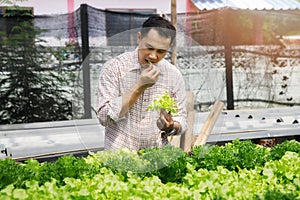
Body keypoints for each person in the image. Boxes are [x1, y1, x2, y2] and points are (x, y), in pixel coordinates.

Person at [97, 15, 187, 150]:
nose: (153, 56)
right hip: (119, 158)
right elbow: (104, 117)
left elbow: (182, 119)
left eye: (161, 51)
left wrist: (172, 126)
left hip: (156, 157)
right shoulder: (115, 68)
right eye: (149, 48)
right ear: (139, 38)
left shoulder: (173, 75)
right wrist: (139, 86)